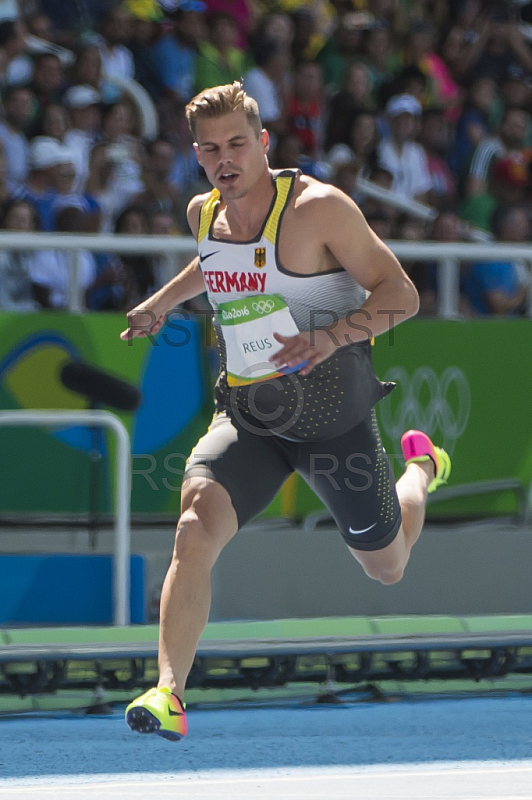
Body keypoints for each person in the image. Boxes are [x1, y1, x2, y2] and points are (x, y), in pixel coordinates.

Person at [120, 81, 451, 741]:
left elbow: (403, 295)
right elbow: (211, 265)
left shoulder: (318, 210)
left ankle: (422, 472)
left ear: (263, 142)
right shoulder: (201, 212)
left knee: (387, 567)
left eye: (237, 144)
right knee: (193, 526)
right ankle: (169, 694)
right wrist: (161, 303)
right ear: (197, 154)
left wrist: (329, 335)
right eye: (210, 149)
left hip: (334, 419)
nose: (225, 159)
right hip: (251, 419)